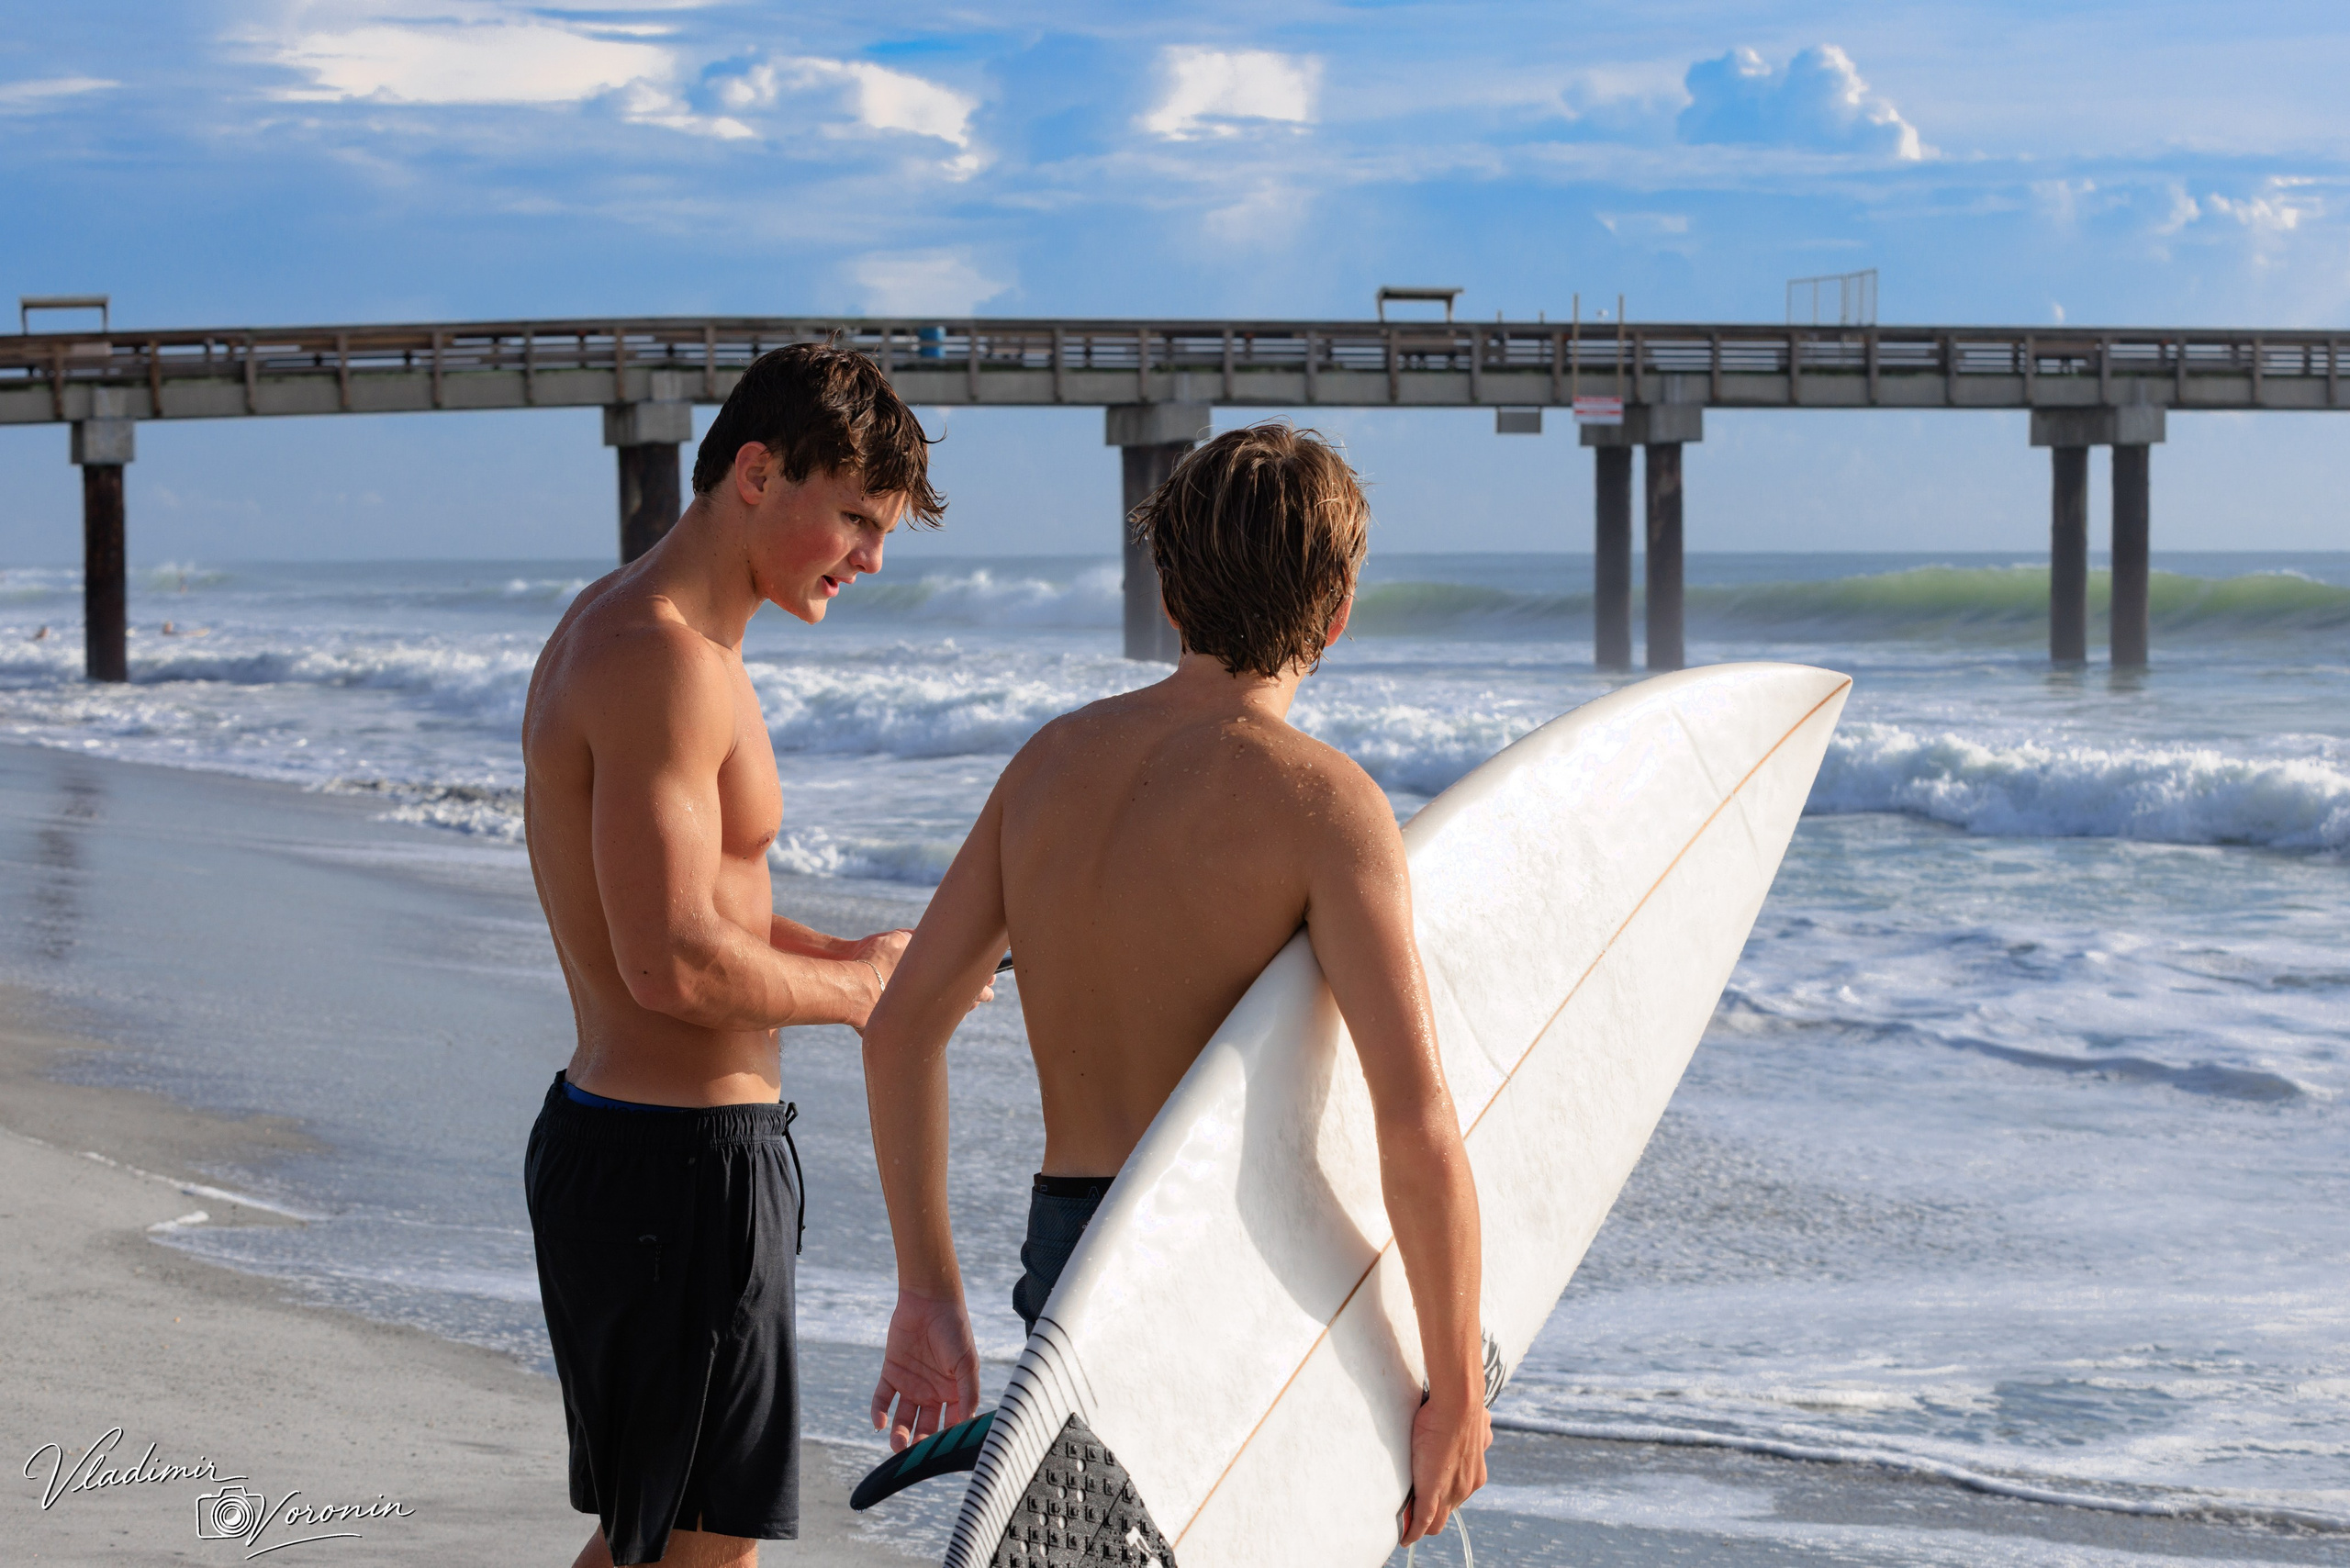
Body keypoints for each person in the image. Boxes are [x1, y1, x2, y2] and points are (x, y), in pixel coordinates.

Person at [859, 423, 1490, 1546]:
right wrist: (1457, 1386)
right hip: (1219, 1258)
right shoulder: (1325, 804)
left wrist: (929, 1292)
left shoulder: (1047, 765)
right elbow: (1415, 1119)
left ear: (1167, 594)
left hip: (1069, 1258)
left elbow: (902, 1026)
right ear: (1339, 613)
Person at [520, 342, 967, 1568]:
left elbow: (687, 912)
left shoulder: (635, 631)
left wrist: (851, 952)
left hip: (644, 1158)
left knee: (659, 1547)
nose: (871, 560)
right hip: (674, 1177)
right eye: (859, 522)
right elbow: (667, 964)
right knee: (697, 1556)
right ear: (759, 474)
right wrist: (863, 996)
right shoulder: (661, 657)